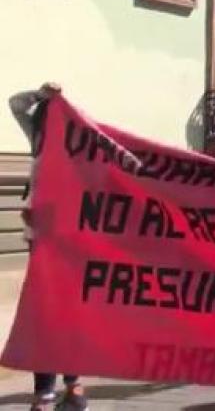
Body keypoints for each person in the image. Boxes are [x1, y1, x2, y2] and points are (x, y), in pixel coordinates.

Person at [10, 84, 89, 411]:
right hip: (40, 241)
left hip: (69, 244)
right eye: (46, 119)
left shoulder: (81, 149)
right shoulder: (38, 140)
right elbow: (16, 104)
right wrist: (41, 95)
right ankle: (47, 391)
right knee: (42, 315)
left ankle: (74, 384)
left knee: (66, 314)